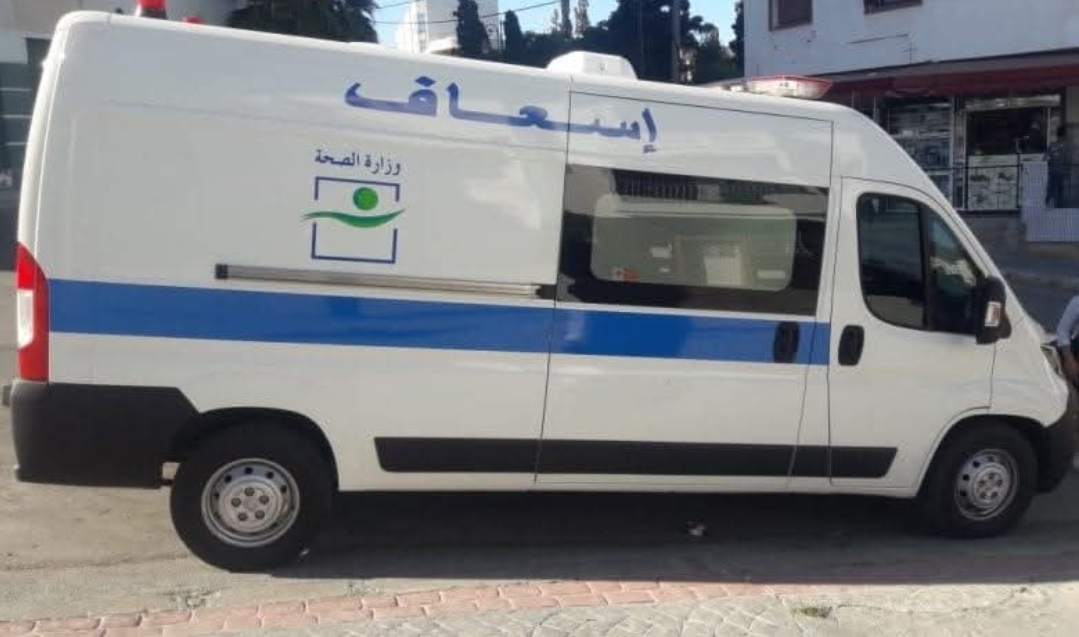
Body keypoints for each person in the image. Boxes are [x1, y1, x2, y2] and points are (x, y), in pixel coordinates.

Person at [1046, 125, 1070, 207]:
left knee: (1051, 189)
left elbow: (1046, 158)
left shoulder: (1052, 145)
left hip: (1052, 171)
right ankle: (1058, 207)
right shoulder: (1066, 146)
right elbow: (1067, 159)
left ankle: (1046, 204)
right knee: (1060, 190)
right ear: (1064, 135)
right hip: (1061, 171)